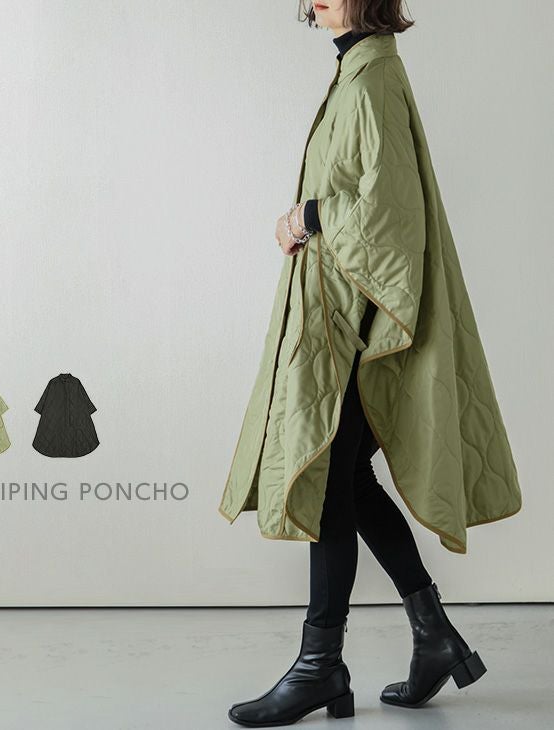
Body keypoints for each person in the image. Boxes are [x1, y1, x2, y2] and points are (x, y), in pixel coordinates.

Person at [221, 1, 522, 726]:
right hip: (343, 309)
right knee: (347, 476)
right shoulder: (359, 69)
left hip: (353, 319)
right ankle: (434, 637)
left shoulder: (371, 79)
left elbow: (388, 209)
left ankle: (320, 666)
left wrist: (306, 218)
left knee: (330, 478)